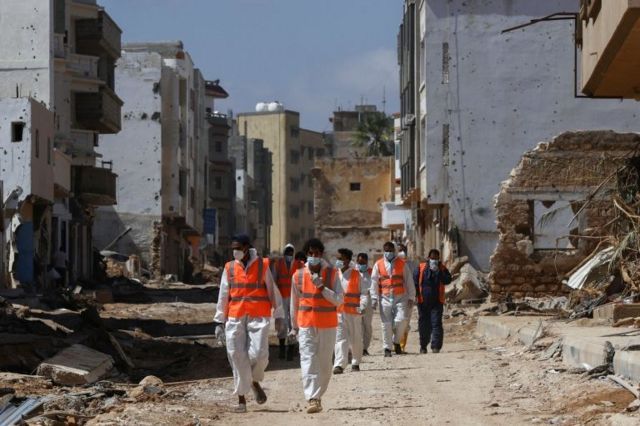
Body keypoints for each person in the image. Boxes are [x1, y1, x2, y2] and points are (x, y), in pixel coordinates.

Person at [214, 234, 284, 413]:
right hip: (235, 316)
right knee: (236, 355)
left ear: (246, 247)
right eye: (233, 249)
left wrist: (279, 315)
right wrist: (219, 321)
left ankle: (253, 380)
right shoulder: (229, 267)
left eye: (238, 248)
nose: (235, 251)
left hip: (258, 316)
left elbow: (273, 291)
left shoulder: (262, 265)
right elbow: (223, 294)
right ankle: (241, 400)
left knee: (259, 355)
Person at [290, 238, 343, 414]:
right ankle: (313, 398)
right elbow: (294, 303)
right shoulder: (298, 275)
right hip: (306, 325)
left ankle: (318, 394)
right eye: (310, 253)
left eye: (317, 253)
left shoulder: (332, 273)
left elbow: (339, 300)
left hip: (327, 325)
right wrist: (294, 327)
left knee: (325, 365)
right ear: (306, 255)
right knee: (308, 360)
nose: (314, 256)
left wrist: (322, 288)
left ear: (321, 254)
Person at [371, 241, 416, 357]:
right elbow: (374, 281)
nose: (388, 253)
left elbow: (409, 280)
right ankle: (387, 348)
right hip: (384, 297)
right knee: (386, 324)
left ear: (394, 251)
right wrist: (374, 298)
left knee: (402, 320)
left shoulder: (401, 264)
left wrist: (411, 296)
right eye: (386, 250)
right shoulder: (378, 264)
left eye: (390, 250)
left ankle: (396, 341)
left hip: (400, 297)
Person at [333, 248, 367, 374]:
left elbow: (364, 293)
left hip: (354, 312)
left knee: (355, 338)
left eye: (340, 259)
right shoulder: (334, 275)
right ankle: (339, 364)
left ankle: (355, 362)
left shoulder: (356, 275)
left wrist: (362, 306)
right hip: (339, 312)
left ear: (347, 260)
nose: (338, 261)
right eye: (337, 258)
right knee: (340, 338)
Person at [414, 249, 452, 354]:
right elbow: (415, 282)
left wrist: (439, 272)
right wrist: (415, 296)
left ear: (439, 258)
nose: (434, 260)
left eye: (436, 258)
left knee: (436, 323)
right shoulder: (421, 267)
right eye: (432, 258)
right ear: (428, 258)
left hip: (437, 301)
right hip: (423, 301)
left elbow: (448, 280)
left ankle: (436, 346)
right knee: (424, 324)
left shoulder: (442, 268)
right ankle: (423, 346)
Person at [273, 243, 300, 360]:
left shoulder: (298, 264)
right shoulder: (278, 264)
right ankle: (282, 348)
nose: (289, 254)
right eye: (287, 252)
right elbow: (274, 280)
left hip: (294, 297)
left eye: (291, 252)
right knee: (282, 323)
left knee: (293, 323)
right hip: (281, 297)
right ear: (284, 253)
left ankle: (291, 349)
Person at [397, 243, 415, 353]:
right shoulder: (389, 265)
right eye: (399, 250)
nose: (401, 252)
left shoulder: (411, 265)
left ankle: (401, 345)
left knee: (405, 321)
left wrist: (412, 297)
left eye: (403, 250)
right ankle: (394, 343)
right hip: (393, 298)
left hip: (407, 297)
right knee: (394, 322)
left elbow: (414, 282)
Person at [355, 253, 373, 356]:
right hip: (356, 302)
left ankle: (365, 348)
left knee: (367, 326)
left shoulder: (371, 272)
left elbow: (375, 286)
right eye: (359, 262)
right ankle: (359, 347)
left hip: (368, 302)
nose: (361, 264)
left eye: (363, 262)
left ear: (366, 262)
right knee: (358, 325)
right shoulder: (354, 272)